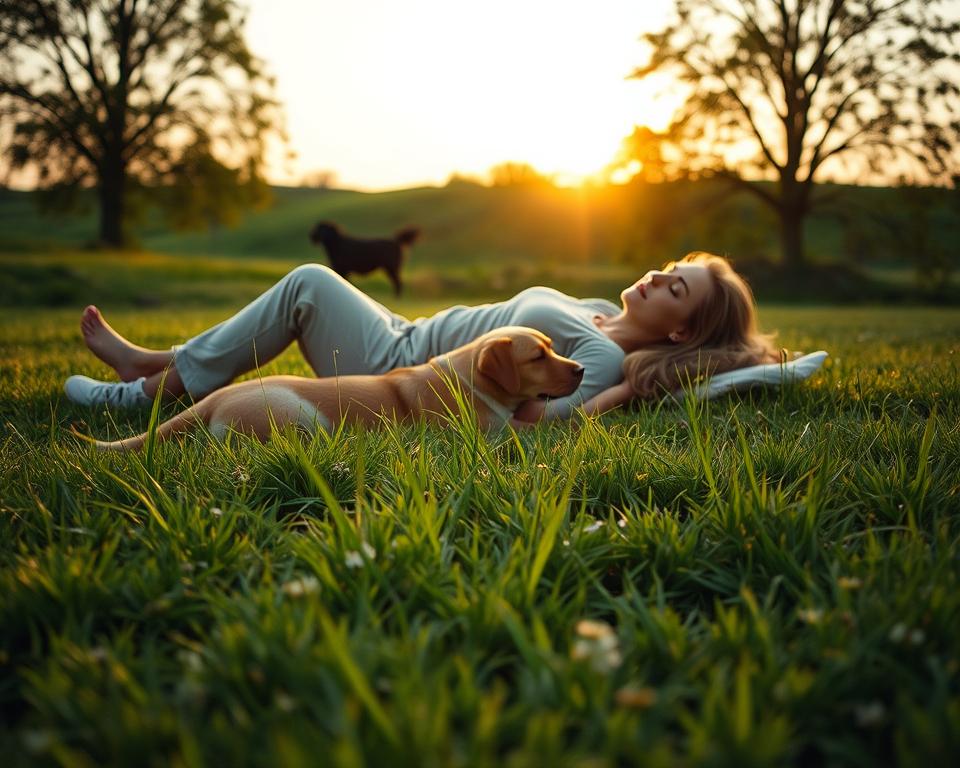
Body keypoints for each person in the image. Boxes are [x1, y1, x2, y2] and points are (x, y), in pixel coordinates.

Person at [65, 251, 778, 423]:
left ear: (681, 327)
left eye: (675, 288)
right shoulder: (594, 308)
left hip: (399, 367)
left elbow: (545, 413)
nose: (657, 276)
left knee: (311, 282)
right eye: (669, 267)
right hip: (406, 334)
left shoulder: (596, 355)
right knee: (309, 287)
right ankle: (162, 365)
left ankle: (148, 391)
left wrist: (625, 388)